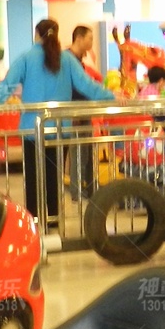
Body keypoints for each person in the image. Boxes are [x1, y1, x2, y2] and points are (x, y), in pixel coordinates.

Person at [0, 18, 112, 221]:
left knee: (33, 179)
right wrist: (112, 97)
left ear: (36, 34)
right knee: (54, 178)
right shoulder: (67, 60)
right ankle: (53, 219)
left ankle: (35, 221)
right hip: (60, 129)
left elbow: (7, 86)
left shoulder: (26, 58)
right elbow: (87, 85)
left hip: (32, 130)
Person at [64, 24, 102, 200]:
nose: (92, 42)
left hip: (83, 108)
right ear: (79, 38)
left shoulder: (79, 59)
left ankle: (88, 188)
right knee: (78, 152)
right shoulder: (68, 59)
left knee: (86, 151)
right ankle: (77, 191)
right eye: (90, 38)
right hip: (75, 110)